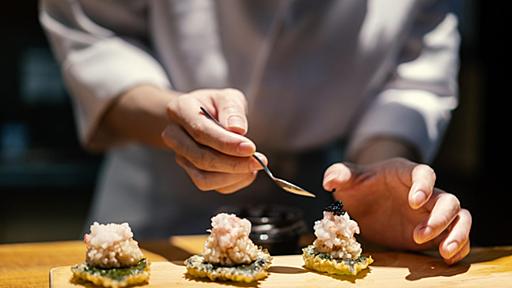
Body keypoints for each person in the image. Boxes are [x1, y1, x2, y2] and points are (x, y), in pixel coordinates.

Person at [40, 0, 471, 264]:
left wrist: (377, 174)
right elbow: (93, 36)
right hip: (156, 208)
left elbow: (415, 78)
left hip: (322, 200)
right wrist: (171, 117)